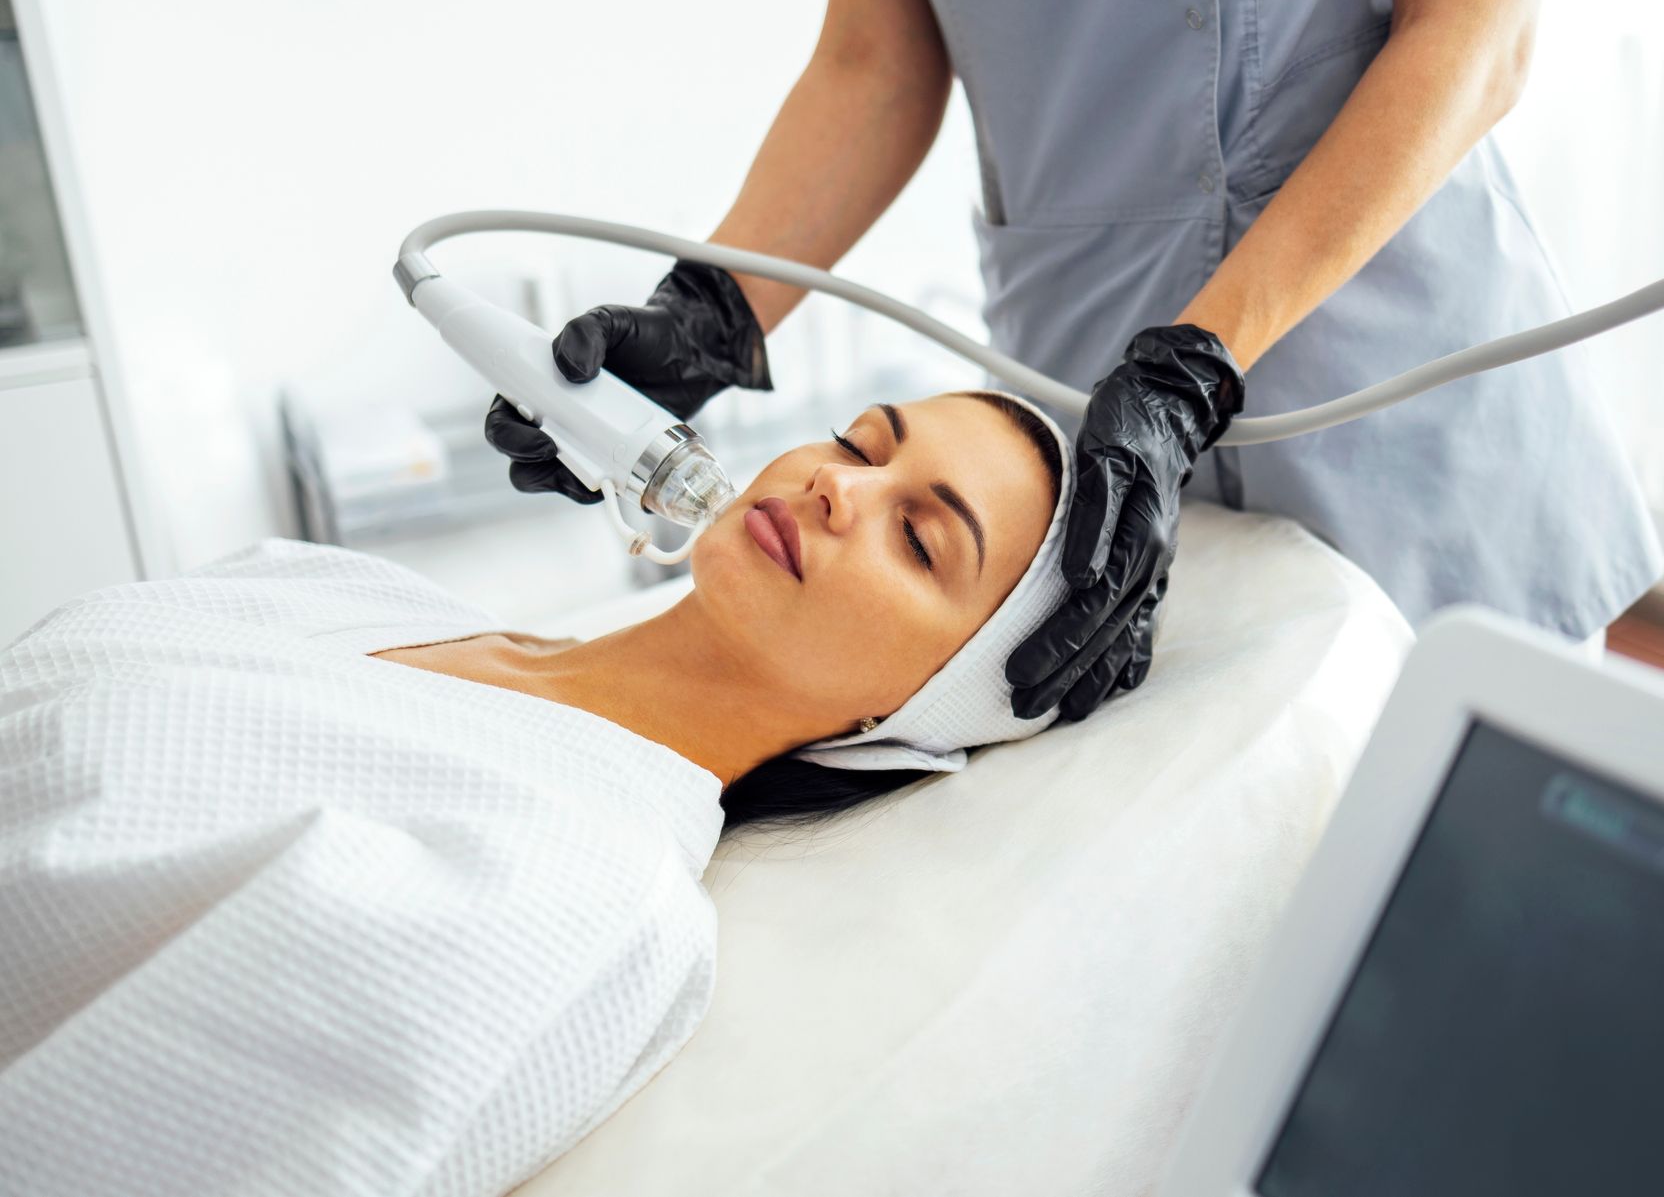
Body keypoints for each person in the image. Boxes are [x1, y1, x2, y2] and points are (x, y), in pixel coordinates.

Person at [489, 0, 1660, 724]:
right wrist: (711, 308)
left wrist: (1193, 367)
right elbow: (874, 64)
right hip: (1080, 399)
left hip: (1393, 366)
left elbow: (1477, 33)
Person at [0, 391, 1072, 1196]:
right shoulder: (341, 586)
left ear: (921, 709)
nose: (840, 487)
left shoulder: (585, 898)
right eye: (857, 444)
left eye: (920, 538)